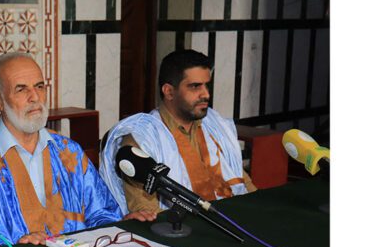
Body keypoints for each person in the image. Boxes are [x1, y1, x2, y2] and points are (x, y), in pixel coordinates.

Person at [0, 53, 122, 247]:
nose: (35, 97)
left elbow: (104, 214)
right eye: (21, 89)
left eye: (39, 87)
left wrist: (127, 226)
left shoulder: (69, 151)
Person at [100, 49, 256, 219]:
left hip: (235, 220)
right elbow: (147, 212)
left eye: (207, 85)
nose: (206, 94)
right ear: (169, 91)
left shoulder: (216, 125)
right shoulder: (142, 139)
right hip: (184, 227)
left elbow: (244, 184)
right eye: (195, 86)